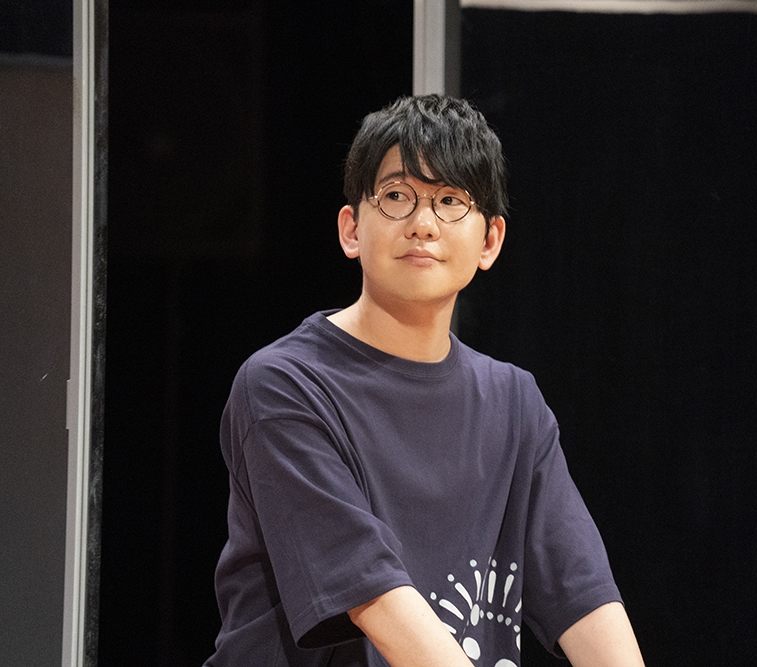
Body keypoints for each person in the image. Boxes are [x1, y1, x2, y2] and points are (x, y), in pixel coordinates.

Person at [205, 94, 645, 667]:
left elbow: (584, 597)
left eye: (450, 201)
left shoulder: (514, 402)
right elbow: (375, 600)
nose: (423, 224)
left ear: (489, 241)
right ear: (351, 230)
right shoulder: (285, 385)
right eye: (396, 196)